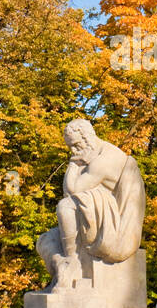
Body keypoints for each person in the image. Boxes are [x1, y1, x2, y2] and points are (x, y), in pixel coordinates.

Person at [39, 119, 145, 291]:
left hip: (113, 224)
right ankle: (63, 264)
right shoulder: (90, 155)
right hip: (95, 214)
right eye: (70, 147)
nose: (73, 151)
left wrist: (73, 164)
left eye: (76, 145)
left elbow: (72, 190)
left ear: (87, 137)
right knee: (45, 240)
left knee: (65, 206)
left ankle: (72, 264)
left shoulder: (103, 160)